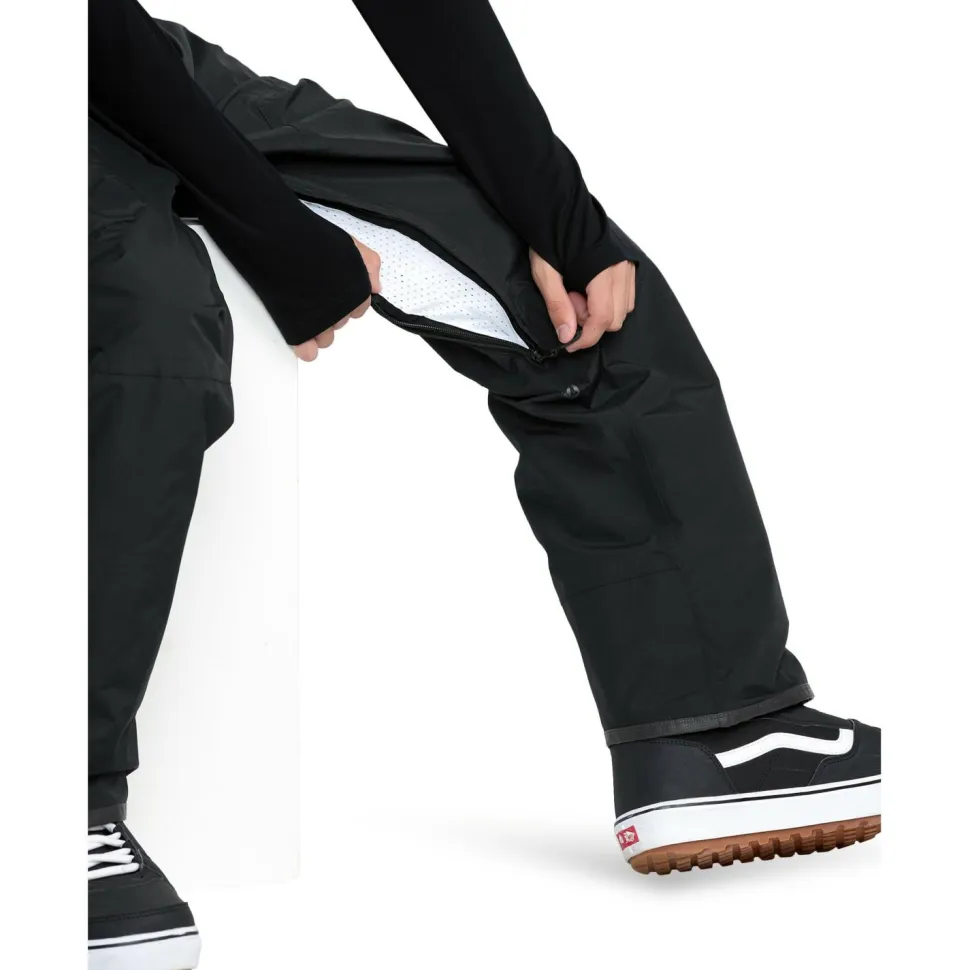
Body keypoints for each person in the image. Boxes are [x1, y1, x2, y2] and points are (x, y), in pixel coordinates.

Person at [88, 1, 881, 967]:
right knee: (147, 335)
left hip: (109, 50)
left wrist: (554, 212)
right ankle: (61, 801)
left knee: (578, 304)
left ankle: (716, 723)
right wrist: (268, 228)